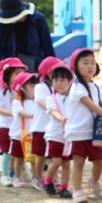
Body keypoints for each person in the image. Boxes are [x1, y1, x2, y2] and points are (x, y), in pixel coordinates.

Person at [64, 48, 102, 203]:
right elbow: (90, 105)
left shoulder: (97, 87)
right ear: (76, 66)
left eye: (92, 63)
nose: (90, 66)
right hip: (78, 131)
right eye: (85, 62)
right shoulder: (76, 87)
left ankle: (94, 182)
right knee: (78, 162)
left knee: (99, 160)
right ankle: (77, 190)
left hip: (95, 132)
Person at [0, 0, 55, 72]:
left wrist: (52, 68)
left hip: (35, 69)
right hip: (9, 70)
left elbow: (48, 49)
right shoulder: (2, 23)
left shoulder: (37, 19)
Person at [29, 57, 63, 191]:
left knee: (54, 157)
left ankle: (54, 179)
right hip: (40, 127)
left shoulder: (59, 86)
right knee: (41, 156)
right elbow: (40, 101)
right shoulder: (40, 87)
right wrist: (52, 108)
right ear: (49, 73)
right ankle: (37, 177)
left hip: (53, 128)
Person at [0, 58, 28, 186]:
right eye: (16, 73)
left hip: (18, 127)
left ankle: (16, 172)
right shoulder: (1, 92)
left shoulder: (22, 91)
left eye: (22, 73)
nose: (20, 76)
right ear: (8, 75)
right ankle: (5, 175)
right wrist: (14, 113)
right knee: (7, 152)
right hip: (5, 126)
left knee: (18, 152)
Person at [43, 62, 74, 198]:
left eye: (62, 79)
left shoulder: (73, 97)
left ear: (69, 81)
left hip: (67, 136)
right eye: (55, 80)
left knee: (67, 164)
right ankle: (48, 181)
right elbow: (53, 112)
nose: (59, 83)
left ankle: (64, 188)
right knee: (57, 161)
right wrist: (61, 118)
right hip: (55, 134)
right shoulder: (51, 98)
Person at [9, 71, 38, 188]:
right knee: (19, 158)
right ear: (22, 88)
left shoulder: (35, 101)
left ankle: (36, 178)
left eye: (35, 85)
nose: (34, 88)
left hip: (31, 135)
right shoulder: (17, 102)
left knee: (33, 159)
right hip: (18, 136)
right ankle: (17, 176)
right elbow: (22, 113)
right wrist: (34, 115)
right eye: (31, 86)